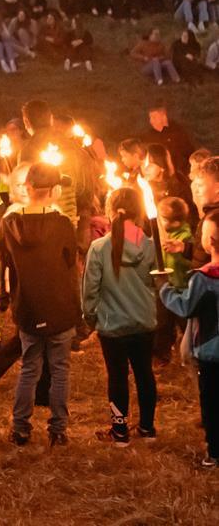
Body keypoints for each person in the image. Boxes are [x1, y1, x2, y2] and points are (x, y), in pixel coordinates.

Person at [0, 163, 81, 447]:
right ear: (55, 191)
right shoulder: (62, 224)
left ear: (27, 189)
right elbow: (71, 263)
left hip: (28, 308)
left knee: (29, 368)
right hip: (59, 308)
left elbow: (4, 264)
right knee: (60, 370)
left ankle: (20, 428)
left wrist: (4, 299)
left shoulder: (9, 224)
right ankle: (58, 429)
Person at [82, 186, 158, 447]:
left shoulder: (99, 247)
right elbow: (157, 283)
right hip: (143, 321)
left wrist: (90, 318)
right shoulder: (149, 246)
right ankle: (147, 427)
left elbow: (90, 288)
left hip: (112, 325)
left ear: (111, 211)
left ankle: (120, 431)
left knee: (117, 376)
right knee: (144, 373)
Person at [159, 210, 219, 468]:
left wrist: (165, 287)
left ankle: (215, 452)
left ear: (211, 241)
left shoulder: (204, 278)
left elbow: (186, 308)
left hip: (210, 350)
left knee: (213, 404)